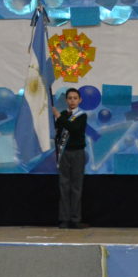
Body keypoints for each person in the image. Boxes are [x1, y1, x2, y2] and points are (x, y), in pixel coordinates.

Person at [53, 89, 86, 229]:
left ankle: (75, 219)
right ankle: (64, 218)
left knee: (76, 187)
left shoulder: (82, 115)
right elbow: (59, 132)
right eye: (70, 98)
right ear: (66, 100)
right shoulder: (63, 115)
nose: (72, 100)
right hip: (65, 153)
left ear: (80, 100)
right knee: (64, 186)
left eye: (75, 98)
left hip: (78, 153)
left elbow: (74, 129)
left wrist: (59, 116)